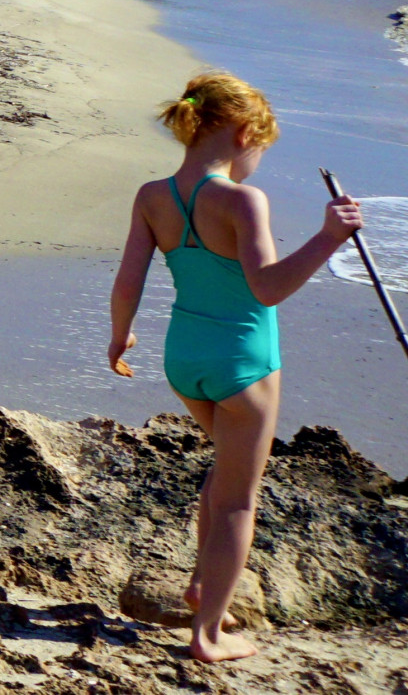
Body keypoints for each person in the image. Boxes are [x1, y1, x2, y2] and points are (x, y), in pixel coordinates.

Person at [107, 72, 363, 663]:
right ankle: (208, 635)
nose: (256, 166)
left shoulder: (152, 196)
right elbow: (267, 288)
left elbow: (128, 280)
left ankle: (204, 586)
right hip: (244, 364)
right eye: (260, 152)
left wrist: (120, 337)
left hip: (183, 357)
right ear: (245, 132)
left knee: (222, 477)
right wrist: (329, 237)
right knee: (238, 501)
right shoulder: (242, 199)